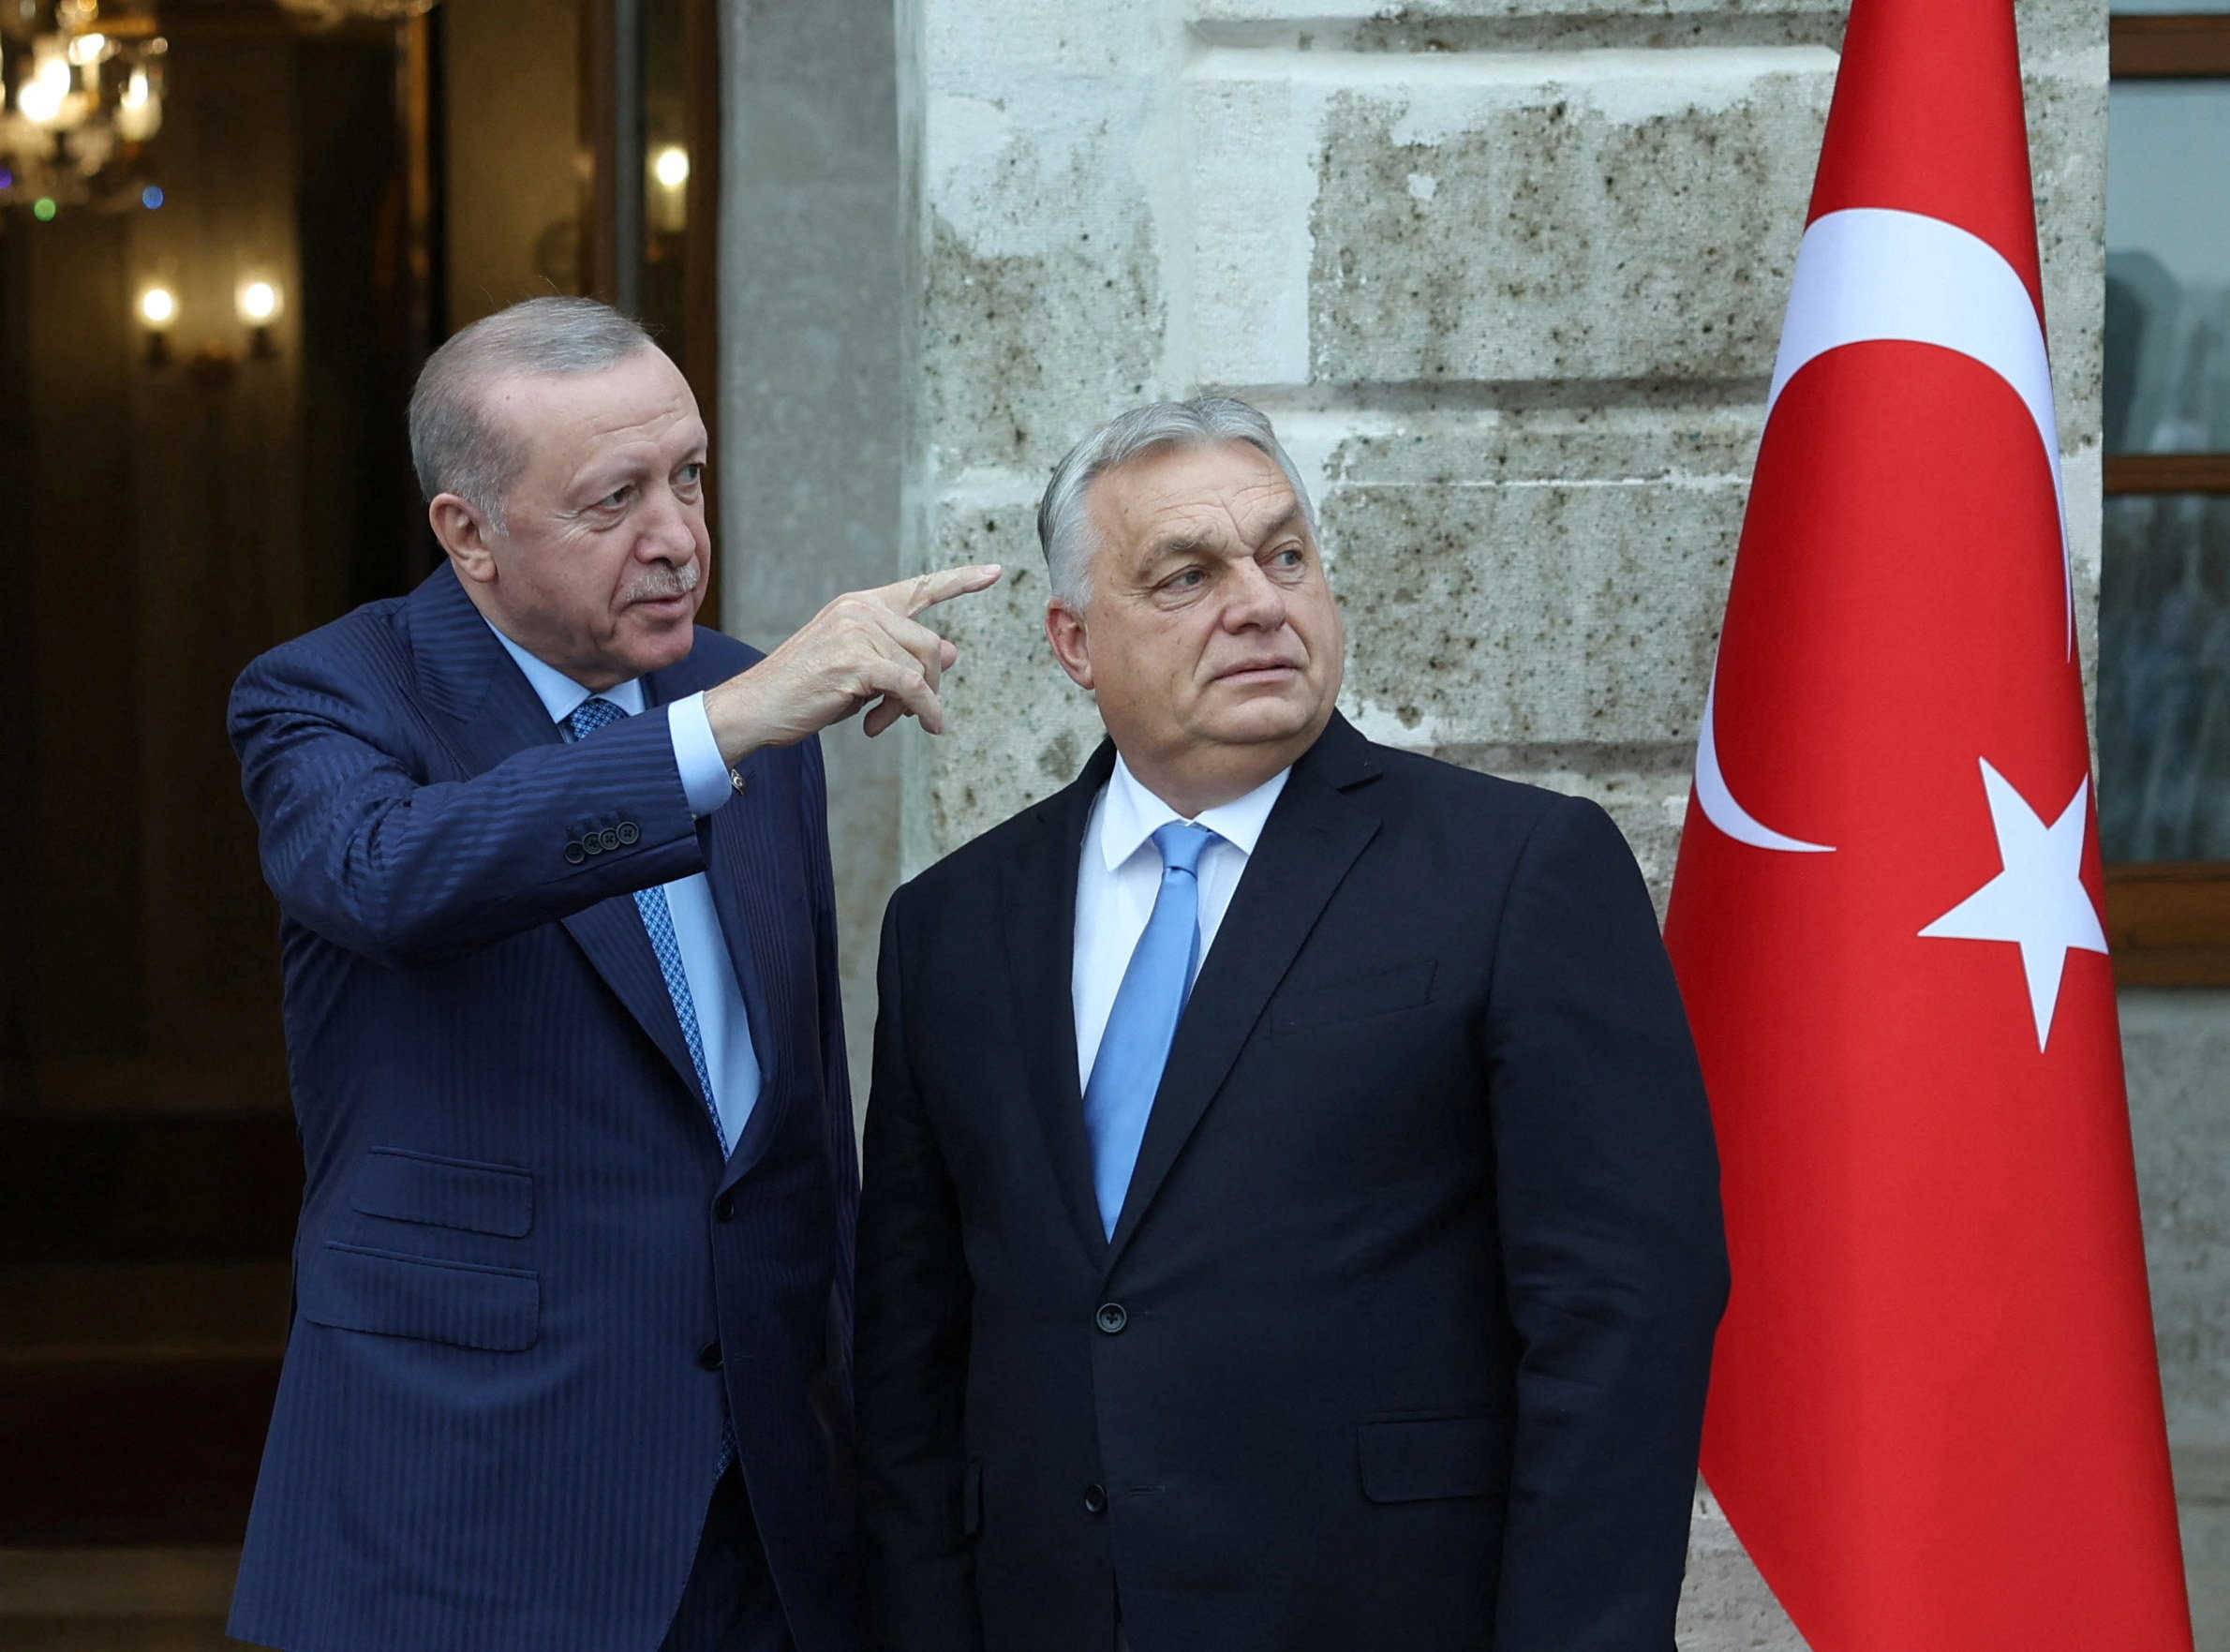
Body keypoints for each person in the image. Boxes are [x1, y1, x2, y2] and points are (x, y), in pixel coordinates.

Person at [854, 396, 1729, 1652]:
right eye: (1187, 576)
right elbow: (911, 1356)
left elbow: (1622, 1318)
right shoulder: (952, 924)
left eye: (1284, 556)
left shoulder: (1518, 870)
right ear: (1074, 642)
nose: (1259, 604)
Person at [225, 296, 999, 1652]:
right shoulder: (332, 695)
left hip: (767, 1517)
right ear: (468, 532)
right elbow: (388, 874)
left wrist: (881, 1464)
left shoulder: (744, 702)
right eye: (614, 499)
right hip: (470, 1519)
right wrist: (719, 731)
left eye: (688, 476)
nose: (677, 536)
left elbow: (803, 1122)